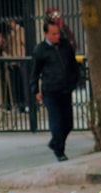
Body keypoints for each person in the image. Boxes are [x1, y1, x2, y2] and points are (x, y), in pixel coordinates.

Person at [31, 15, 79, 162]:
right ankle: (60, 151)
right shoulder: (40, 50)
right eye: (53, 34)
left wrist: (74, 81)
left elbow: (73, 65)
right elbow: (35, 72)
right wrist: (35, 90)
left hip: (65, 90)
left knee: (68, 123)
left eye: (58, 33)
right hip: (50, 91)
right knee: (56, 122)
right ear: (45, 34)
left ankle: (54, 143)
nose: (56, 36)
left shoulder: (65, 46)